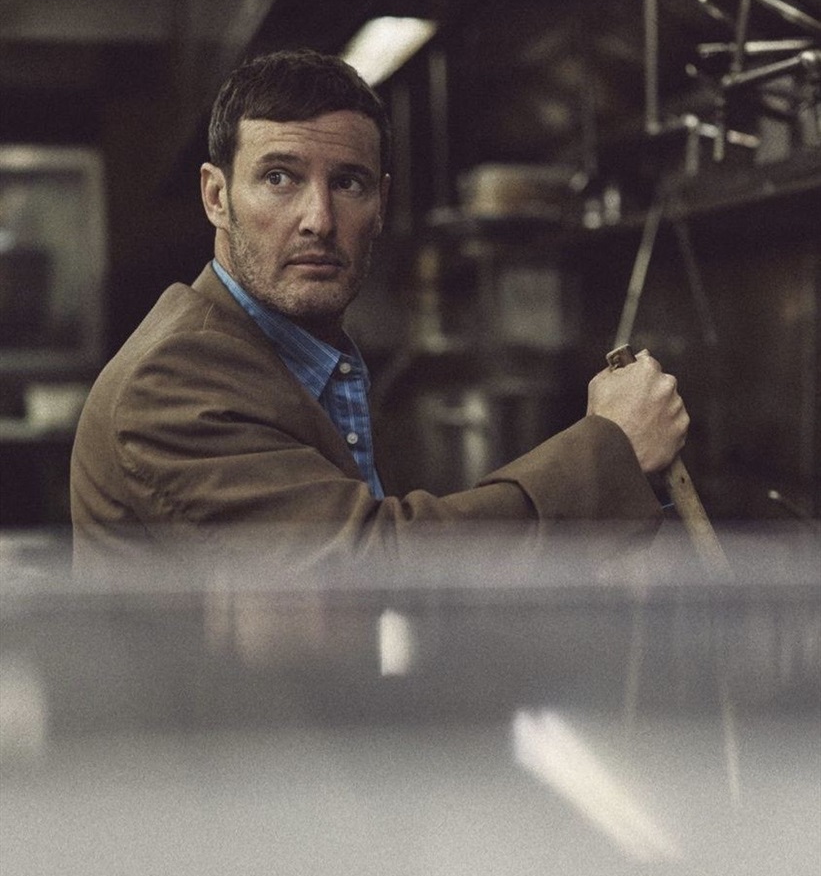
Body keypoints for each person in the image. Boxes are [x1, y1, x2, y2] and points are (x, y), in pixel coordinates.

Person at [70, 49, 689, 582]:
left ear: (381, 202)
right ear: (216, 196)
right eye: (279, 177)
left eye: (349, 184)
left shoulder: (290, 352)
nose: (318, 219)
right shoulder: (175, 379)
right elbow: (367, 573)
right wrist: (612, 451)